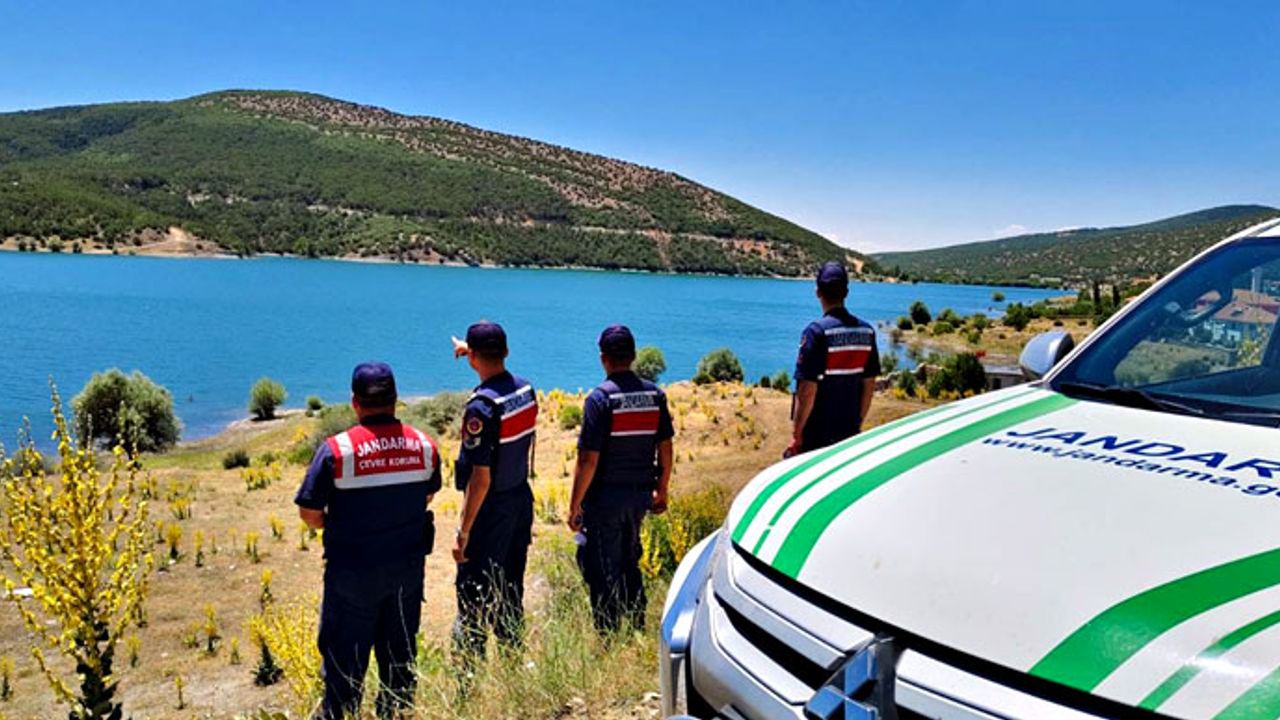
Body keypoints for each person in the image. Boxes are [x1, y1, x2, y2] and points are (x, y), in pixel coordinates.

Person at [295, 362, 441, 720]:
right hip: (407, 575)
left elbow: (309, 513)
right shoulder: (424, 446)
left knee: (344, 672)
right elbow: (427, 496)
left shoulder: (337, 451)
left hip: (352, 578)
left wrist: (339, 523)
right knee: (400, 666)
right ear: (396, 399)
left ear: (355, 402)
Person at [568, 325, 674, 633]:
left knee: (601, 568)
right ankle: (637, 626)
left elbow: (588, 460)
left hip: (605, 501)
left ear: (603, 358)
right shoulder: (655, 395)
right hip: (639, 497)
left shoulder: (600, 399)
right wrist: (662, 489)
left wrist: (575, 505)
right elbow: (665, 447)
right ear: (633, 355)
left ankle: (608, 636)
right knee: (630, 561)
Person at [449, 321, 538, 668]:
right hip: (519, 501)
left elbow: (480, 478)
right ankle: (513, 662)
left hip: (490, 513)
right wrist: (470, 350)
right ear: (507, 351)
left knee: (474, 595)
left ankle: (469, 676)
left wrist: (463, 531)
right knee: (511, 587)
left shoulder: (480, 409)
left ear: (472, 357)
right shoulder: (525, 390)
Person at [788, 261, 881, 456]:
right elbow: (869, 384)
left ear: (818, 292)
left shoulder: (816, 333)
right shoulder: (867, 332)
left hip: (816, 436)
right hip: (849, 433)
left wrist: (797, 434)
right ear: (846, 292)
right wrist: (857, 423)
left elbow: (807, 390)